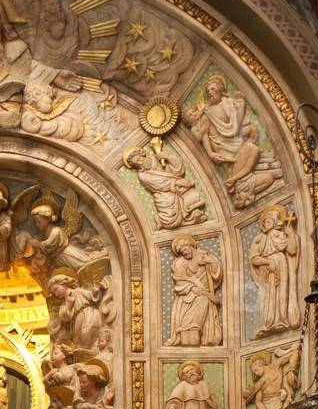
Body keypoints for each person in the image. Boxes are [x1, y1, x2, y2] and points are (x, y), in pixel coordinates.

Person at [183, 74, 281, 208]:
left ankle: (246, 176)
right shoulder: (206, 112)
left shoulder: (227, 103)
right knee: (250, 151)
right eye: (208, 91)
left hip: (233, 138)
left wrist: (240, 105)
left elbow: (236, 119)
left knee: (252, 131)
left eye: (213, 89)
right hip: (222, 146)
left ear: (220, 89)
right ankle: (241, 179)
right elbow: (204, 134)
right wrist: (210, 153)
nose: (210, 93)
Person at [249, 205, 300, 337]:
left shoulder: (280, 234)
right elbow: (254, 259)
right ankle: (269, 322)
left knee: (282, 290)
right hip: (267, 269)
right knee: (267, 295)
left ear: (276, 220)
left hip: (281, 264)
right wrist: (267, 262)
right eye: (265, 221)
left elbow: (292, 250)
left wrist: (290, 234)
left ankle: (281, 319)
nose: (266, 223)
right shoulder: (261, 238)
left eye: (269, 220)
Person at [123, 147, 205, 229]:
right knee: (170, 221)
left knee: (192, 195)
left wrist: (166, 157)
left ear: (142, 154)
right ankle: (163, 219)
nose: (140, 163)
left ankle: (190, 213)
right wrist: (176, 182)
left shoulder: (157, 158)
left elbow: (178, 170)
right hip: (163, 194)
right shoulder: (142, 175)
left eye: (139, 159)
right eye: (136, 163)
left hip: (176, 187)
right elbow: (159, 184)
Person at [167, 236, 223, 347]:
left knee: (203, 300)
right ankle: (188, 330)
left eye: (185, 249)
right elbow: (180, 282)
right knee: (202, 300)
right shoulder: (179, 263)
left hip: (205, 291)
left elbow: (217, 273)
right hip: (188, 294)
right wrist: (205, 294)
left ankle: (203, 336)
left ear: (191, 246)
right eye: (182, 252)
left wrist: (210, 261)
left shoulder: (204, 255)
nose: (185, 253)